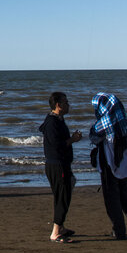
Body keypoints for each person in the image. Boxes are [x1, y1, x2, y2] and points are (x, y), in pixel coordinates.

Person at [89, 93, 127, 239]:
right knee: (125, 194)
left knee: (111, 197)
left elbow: (94, 137)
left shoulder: (102, 124)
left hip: (109, 163)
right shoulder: (123, 121)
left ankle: (119, 230)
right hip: (124, 163)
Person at [38, 91, 82, 243]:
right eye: (66, 102)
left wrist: (71, 140)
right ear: (58, 105)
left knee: (64, 194)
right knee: (62, 196)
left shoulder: (58, 120)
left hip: (61, 164)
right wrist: (72, 140)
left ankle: (60, 227)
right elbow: (56, 145)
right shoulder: (52, 122)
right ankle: (55, 232)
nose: (68, 104)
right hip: (56, 165)